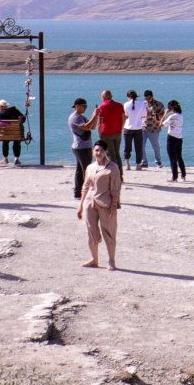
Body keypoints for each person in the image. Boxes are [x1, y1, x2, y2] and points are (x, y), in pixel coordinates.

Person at [77, 141, 122, 270]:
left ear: (105, 151)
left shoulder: (113, 167)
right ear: (93, 151)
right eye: (96, 150)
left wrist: (113, 206)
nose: (98, 153)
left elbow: (116, 189)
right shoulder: (90, 167)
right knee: (91, 232)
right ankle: (94, 259)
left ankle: (111, 261)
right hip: (89, 203)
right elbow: (85, 186)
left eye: (101, 150)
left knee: (109, 233)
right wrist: (80, 205)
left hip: (106, 203)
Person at [85, 90, 126, 168]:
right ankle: (120, 175)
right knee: (117, 154)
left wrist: (100, 135)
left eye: (102, 97)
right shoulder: (120, 105)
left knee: (111, 155)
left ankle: (115, 175)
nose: (101, 99)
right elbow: (123, 118)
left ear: (104, 97)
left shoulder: (102, 107)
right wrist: (121, 129)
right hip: (118, 133)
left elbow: (100, 124)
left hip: (106, 133)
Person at [69, 97, 93, 199]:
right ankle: (84, 192)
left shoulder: (81, 117)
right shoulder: (74, 117)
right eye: (84, 106)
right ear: (77, 106)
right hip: (80, 147)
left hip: (86, 146)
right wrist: (95, 116)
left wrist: (95, 117)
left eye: (86, 106)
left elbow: (92, 126)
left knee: (80, 170)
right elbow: (86, 127)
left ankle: (78, 192)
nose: (85, 108)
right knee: (86, 170)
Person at [0, 100, 25, 166]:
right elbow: (23, 119)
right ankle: (16, 158)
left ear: (1, 106)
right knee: (16, 141)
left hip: (6, 134)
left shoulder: (1, 114)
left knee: (5, 141)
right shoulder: (15, 110)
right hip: (17, 134)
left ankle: (5, 158)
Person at [122, 89, 147, 170]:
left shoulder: (125, 104)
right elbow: (144, 116)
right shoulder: (142, 104)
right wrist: (141, 122)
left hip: (127, 127)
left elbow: (125, 116)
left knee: (127, 147)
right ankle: (138, 165)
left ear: (128, 97)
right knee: (138, 148)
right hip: (138, 128)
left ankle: (127, 164)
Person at [163, 98, 186, 182]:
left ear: (171, 108)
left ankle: (174, 177)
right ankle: (183, 175)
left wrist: (165, 114)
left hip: (171, 138)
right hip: (179, 137)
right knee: (179, 156)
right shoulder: (180, 115)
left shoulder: (172, 116)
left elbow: (161, 124)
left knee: (172, 158)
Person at [143, 90, 165, 169]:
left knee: (155, 146)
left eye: (148, 98)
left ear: (152, 96)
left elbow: (162, 116)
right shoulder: (143, 104)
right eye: (146, 98)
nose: (147, 100)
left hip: (154, 128)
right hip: (143, 127)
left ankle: (158, 162)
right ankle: (144, 162)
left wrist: (155, 116)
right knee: (141, 146)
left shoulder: (159, 104)